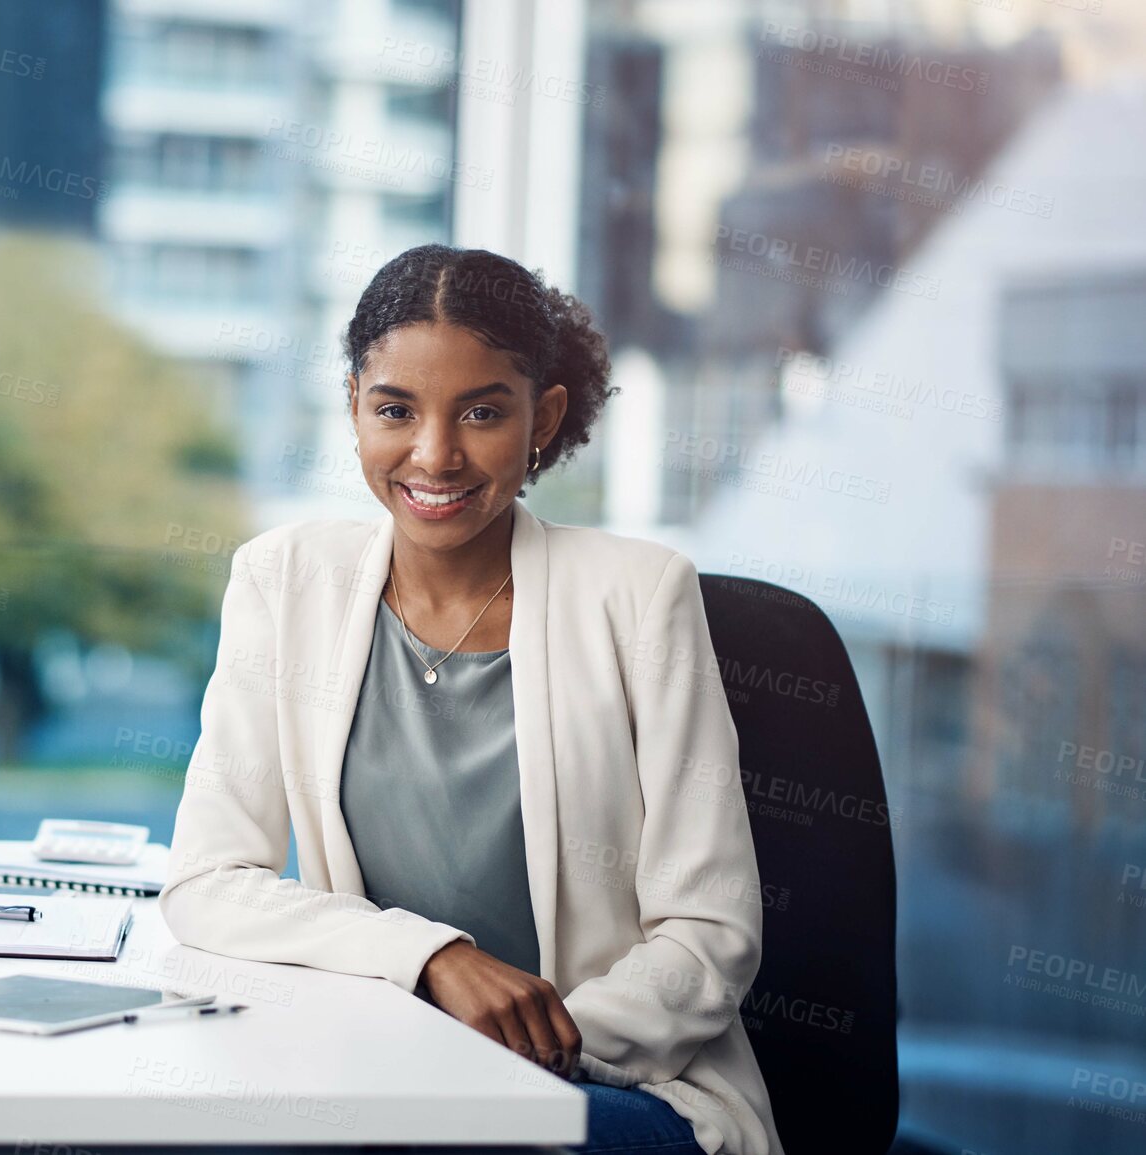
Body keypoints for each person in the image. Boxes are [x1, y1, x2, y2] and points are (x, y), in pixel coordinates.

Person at [160, 244, 782, 1155]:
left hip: (617, 1083)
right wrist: (431, 957)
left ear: (544, 418)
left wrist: (524, 1055)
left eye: (482, 412)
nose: (434, 454)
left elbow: (709, 930)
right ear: (352, 408)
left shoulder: (640, 594)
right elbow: (209, 882)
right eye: (395, 410)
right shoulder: (283, 580)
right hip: (385, 1080)